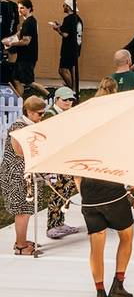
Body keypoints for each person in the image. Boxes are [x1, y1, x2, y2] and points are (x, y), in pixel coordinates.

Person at [78, 172, 134, 297]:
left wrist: (85, 199)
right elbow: (132, 168)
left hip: (88, 199)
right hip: (114, 195)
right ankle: (118, 283)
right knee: (126, 236)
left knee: (96, 246)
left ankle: (100, 294)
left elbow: (75, 175)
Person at [2, 95, 46, 256]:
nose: (42, 117)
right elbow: (20, 152)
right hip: (17, 174)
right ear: (29, 111)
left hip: (24, 172)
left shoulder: (29, 125)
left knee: (26, 209)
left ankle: (21, 240)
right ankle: (21, 246)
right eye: (40, 113)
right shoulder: (18, 127)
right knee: (22, 210)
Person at [42, 87, 80, 240]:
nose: (68, 102)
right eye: (65, 99)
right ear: (57, 99)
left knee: (66, 191)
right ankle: (52, 226)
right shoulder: (50, 115)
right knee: (57, 192)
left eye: (71, 99)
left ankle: (60, 222)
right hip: (54, 161)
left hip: (66, 160)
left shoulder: (67, 114)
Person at [4, 0, 40, 98]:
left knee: (29, 82)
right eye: (19, 8)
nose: (19, 10)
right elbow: (19, 34)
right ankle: (20, 101)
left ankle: (50, 95)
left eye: (22, 8)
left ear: (29, 8)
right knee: (16, 79)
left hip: (28, 57)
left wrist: (11, 43)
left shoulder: (29, 22)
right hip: (23, 56)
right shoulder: (26, 21)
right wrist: (8, 40)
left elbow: (26, 41)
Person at [51, 0, 83, 87]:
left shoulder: (68, 18)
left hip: (68, 49)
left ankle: (71, 89)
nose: (63, 7)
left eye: (64, 5)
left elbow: (65, 34)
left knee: (62, 70)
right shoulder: (78, 18)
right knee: (71, 69)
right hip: (76, 48)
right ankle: (75, 89)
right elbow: (72, 30)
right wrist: (61, 26)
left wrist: (57, 29)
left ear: (68, 7)